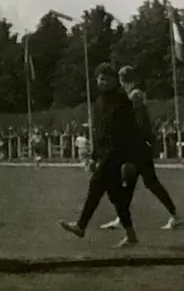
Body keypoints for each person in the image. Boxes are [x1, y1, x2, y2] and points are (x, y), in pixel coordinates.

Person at [59, 64, 145, 248]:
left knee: (96, 184)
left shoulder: (122, 101)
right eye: (99, 78)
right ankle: (131, 236)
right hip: (104, 152)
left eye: (106, 78)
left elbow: (129, 130)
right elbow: (98, 130)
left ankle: (81, 225)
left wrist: (129, 157)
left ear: (114, 80)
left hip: (116, 151)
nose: (102, 81)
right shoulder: (99, 101)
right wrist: (94, 155)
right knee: (116, 196)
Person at [100, 66, 183, 231]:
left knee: (149, 183)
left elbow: (137, 122)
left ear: (122, 79)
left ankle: (175, 216)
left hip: (138, 147)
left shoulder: (134, 96)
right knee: (129, 183)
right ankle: (122, 218)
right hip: (138, 146)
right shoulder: (135, 95)